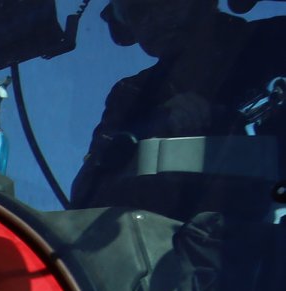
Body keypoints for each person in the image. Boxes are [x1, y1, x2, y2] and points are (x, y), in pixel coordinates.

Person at [72, 0, 286, 205]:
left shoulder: (278, 41)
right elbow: (86, 199)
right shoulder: (130, 96)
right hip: (168, 239)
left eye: (165, 0)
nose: (154, 18)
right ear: (124, 27)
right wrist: (156, 133)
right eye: (137, 11)